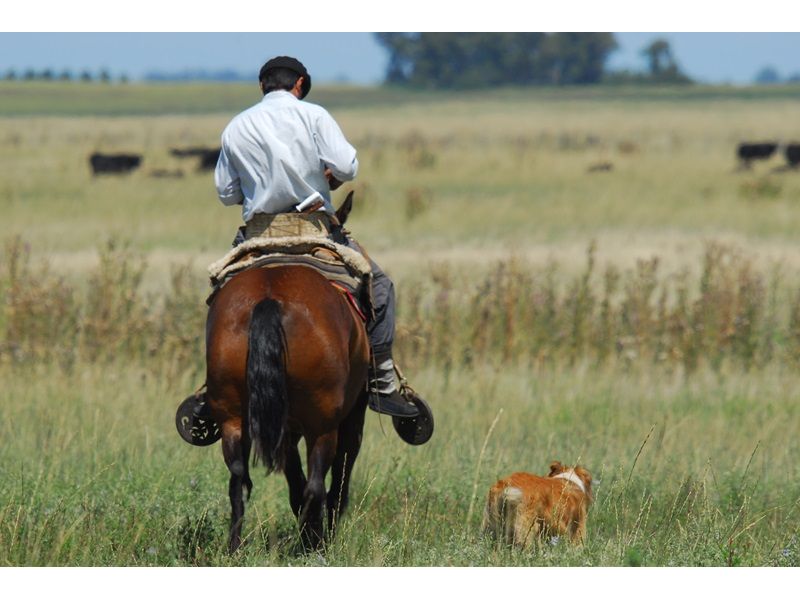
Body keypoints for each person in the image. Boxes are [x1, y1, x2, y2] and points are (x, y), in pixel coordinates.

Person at [214, 56, 419, 418]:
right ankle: (383, 377)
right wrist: (323, 176)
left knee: (220, 294)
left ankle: (213, 386)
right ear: (300, 84)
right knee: (382, 288)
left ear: (262, 86)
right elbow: (347, 166)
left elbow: (227, 193)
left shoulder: (236, 126)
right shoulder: (314, 115)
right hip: (315, 230)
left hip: (258, 234)